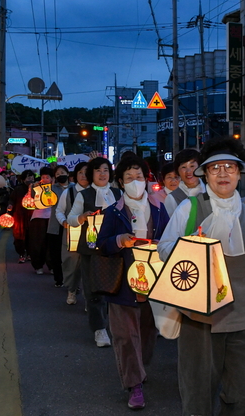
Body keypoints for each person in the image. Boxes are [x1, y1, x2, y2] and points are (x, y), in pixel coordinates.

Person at [158, 136, 245, 416]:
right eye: (215, 168)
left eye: (230, 167)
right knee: (198, 397)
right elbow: (163, 248)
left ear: (239, 173)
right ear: (205, 173)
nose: (222, 173)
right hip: (198, 321)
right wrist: (190, 245)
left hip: (244, 318)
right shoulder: (189, 208)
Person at [96, 154, 170, 410]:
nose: (135, 181)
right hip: (123, 283)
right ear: (120, 182)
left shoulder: (160, 210)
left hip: (153, 283)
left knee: (148, 333)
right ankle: (134, 384)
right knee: (126, 336)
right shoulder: (113, 212)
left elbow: (170, 239)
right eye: (129, 177)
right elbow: (101, 245)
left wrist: (165, 246)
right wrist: (119, 240)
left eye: (139, 177)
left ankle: (139, 368)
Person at [67, 157, 122, 348]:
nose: (102, 174)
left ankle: (113, 325)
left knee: (114, 288)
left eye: (105, 170)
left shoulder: (118, 193)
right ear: (91, 174)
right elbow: (71, 218)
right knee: (93, 289)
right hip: (90, 249)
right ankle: (99, 329)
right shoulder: (84, 195)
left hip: (114, 248)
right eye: (98, 170)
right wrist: (82, 217)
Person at [56, 161, 88, 305]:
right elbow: (59, 211)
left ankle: (90, 299)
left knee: (90, 267)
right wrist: (64, 222)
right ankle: (72, 290)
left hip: (92, 235)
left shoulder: (98, 192)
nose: (83, 175)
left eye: (86, 172)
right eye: (80, 172)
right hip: (72, 234)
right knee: (71, 265)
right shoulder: (68, 192)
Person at [46, 165, 71, 287]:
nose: (60, 175)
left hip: (71, 225)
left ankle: (71, 279)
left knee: (70, 254)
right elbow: (41, 199)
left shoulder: (75, 188)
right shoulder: (50, 189)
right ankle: (59, 279)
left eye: (62, 172)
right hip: (55, 226)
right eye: (57, 174)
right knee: (56, 254)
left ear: (68, 173)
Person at [28, 167, 55, 275]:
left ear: (52, 178)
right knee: (37, 243)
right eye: (43, 177)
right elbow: (32, 197)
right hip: (38, 217)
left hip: (51, 217)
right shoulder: (35, 186)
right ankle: (38, 265)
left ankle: (52, 265)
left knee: (51, 244)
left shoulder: (56, 188)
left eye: (47, 177)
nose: (44, 179)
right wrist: (34, 188)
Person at [163, 148, 205, 215]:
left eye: (192, 166)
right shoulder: (172, 198)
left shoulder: (211, 191)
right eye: (183, 167)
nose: (188, 171)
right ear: (178, 171)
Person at [8, 170, 35, 263]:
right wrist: (10, 206)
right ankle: (21, 254)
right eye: (28, 177)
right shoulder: (18, 189)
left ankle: (29, 254)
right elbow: (12, 200)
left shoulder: (37, 189)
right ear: (23, 179)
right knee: (19, 236)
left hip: (32, 216)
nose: (30, 179)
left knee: (31, 236)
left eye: (32, 177)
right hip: (19, 216)